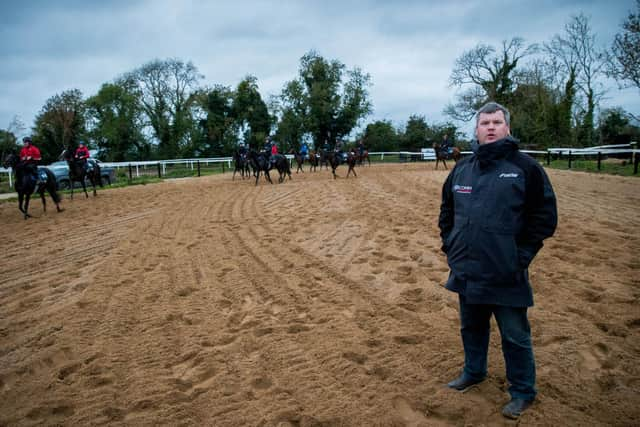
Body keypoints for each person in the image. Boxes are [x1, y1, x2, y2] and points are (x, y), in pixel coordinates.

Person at [438, 102, 557, 420]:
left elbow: (544, 218)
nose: (490, 127)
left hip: (506, 272)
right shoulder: (462, 168)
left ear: (507, 128)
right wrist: (450, 246)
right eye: (484, 122)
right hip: (467, 269)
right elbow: (447, 210)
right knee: (471, 327)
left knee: (515, 336)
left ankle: (522, 392)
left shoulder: (526, 168)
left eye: (497, 122)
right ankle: (473, 373)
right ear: (476, 129)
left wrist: (520, 256)